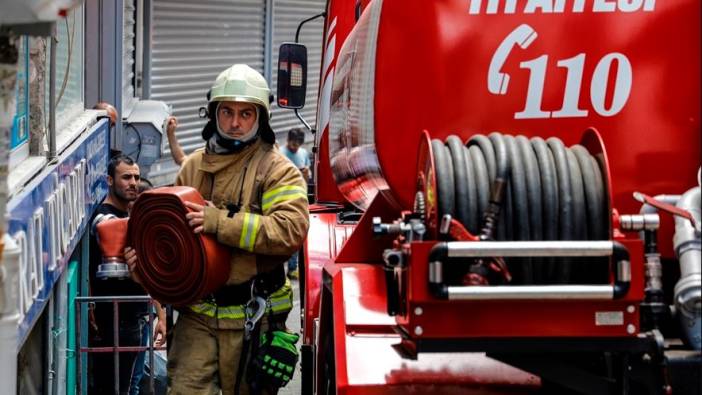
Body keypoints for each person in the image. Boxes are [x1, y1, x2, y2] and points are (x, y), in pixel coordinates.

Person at [125, 64, 309, 395]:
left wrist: (219, 223)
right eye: (227, 112)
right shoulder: (193, 166)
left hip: (254, 319)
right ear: (214, 114)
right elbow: (171, 244)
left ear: (260, 118)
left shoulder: (277, 170)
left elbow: (291, 229)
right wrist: (146, 269)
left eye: (245, 114)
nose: (235, 123)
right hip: (197, 318)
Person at [89, 156, 167, 395]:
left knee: (131, 387)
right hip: (114, 322)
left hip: (136, 318)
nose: (133, 182)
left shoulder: (129, 218)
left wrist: (160, 315)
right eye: (126, 177)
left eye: (136, 177)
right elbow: (111, 228)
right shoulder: (105, 218)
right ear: (110, 180)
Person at [278, 128, 311, 280]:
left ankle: (292, 268)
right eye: (293, 144)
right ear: (288, 140)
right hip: (281, 200)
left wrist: (305, 174)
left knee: (297, 235)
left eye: (298, 144)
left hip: (298, 199)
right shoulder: (280, 154)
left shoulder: (303, 154)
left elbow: (308, 174)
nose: (295, 147)